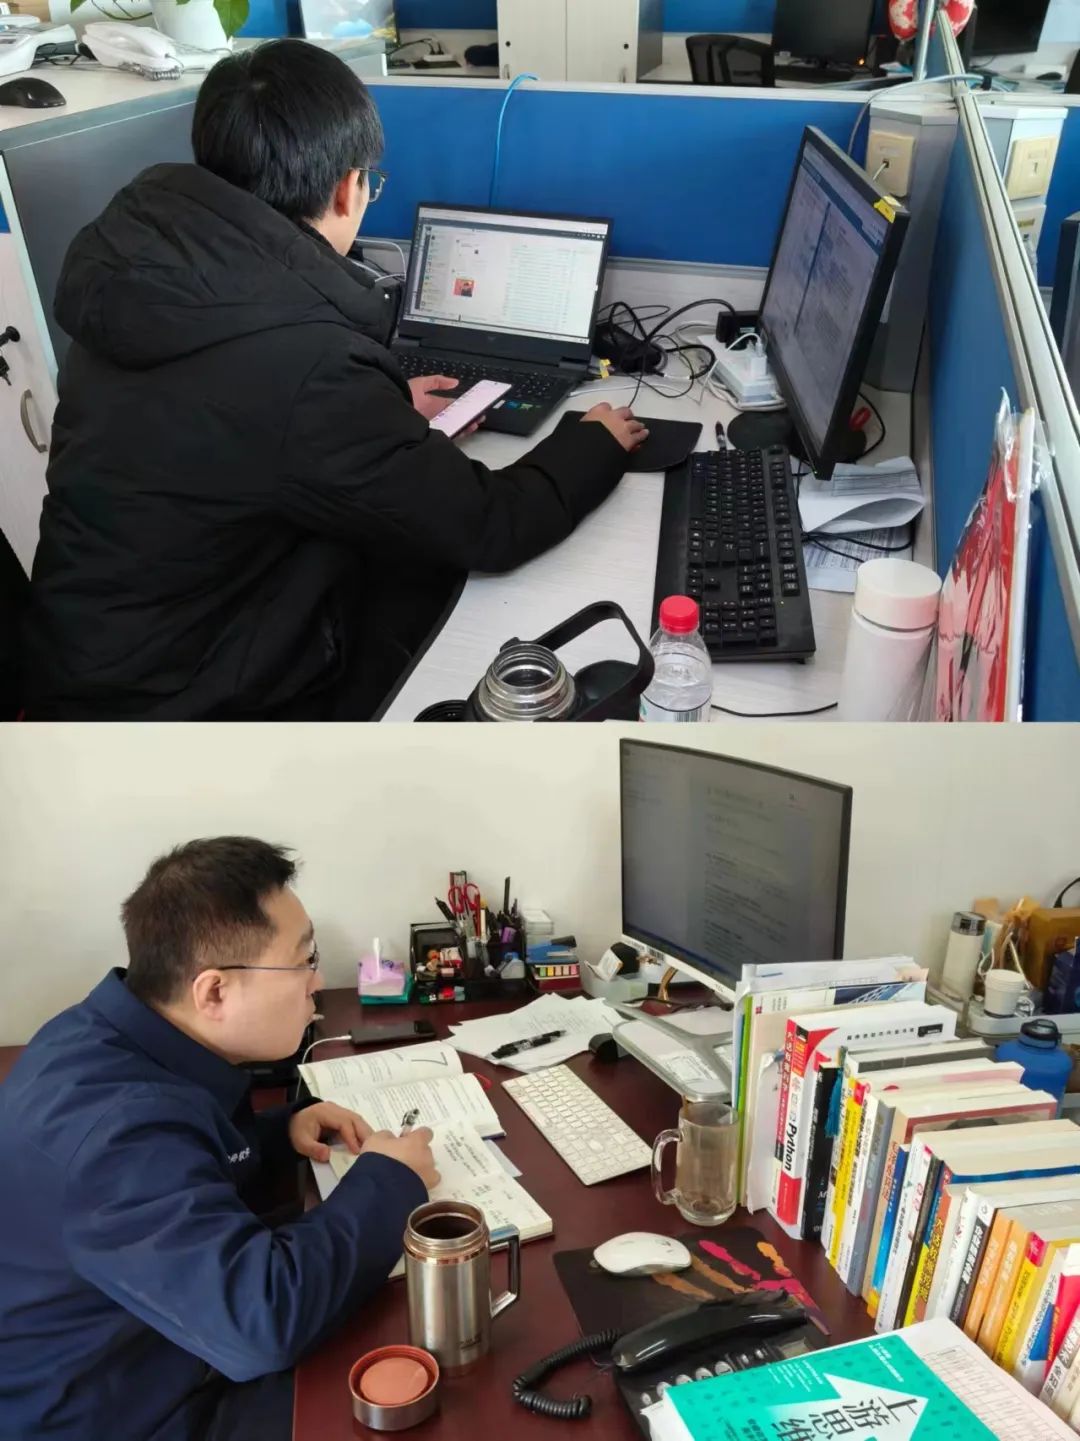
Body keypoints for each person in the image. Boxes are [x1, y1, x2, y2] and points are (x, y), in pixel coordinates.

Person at [23, 39, 646, 720]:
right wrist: (595, 443)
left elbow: (231, 429)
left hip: (89, 661)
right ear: (349, 188)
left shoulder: (145, 282)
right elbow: (489, 525)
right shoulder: (307, 366)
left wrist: (379, 409)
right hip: (185, 705)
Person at [0, 837, 437, 1441]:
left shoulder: (105, 1035)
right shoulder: (114, 1137)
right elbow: (263, 1323)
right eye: (304, 961)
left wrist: (276, 1135)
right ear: (213, 992)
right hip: (130, 1408)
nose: (317, 981)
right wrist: (391, 1181)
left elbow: (178, 1166)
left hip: (158, 1345)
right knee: (422, 1381)